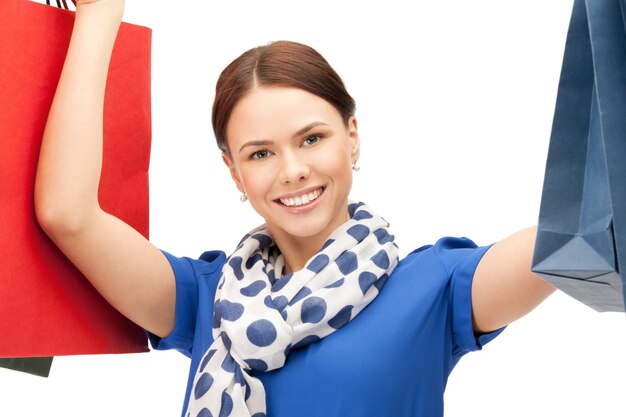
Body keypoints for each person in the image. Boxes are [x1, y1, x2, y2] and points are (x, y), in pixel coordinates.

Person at [34, 1, 556, 416]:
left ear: (352, 137)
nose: (292, 170)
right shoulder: (207, 299)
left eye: (311, 139)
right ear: (235, 173)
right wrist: (101, 13)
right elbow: (68, 214)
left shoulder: (434, 289)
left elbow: (576, 231)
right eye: (260, 153)